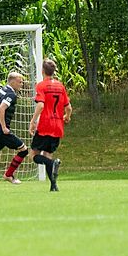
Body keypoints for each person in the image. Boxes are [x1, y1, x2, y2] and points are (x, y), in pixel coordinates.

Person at [28, 59, 72, 192]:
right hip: (57, 126)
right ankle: (53, 185)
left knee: (33, 155)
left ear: (42, 71)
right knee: (48, 154)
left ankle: (52, 164)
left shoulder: (41, 86)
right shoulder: (60, 86)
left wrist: (33, 121)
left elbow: (41, 105)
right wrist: (67, 117)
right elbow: (68, 107)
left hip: (45, 125)